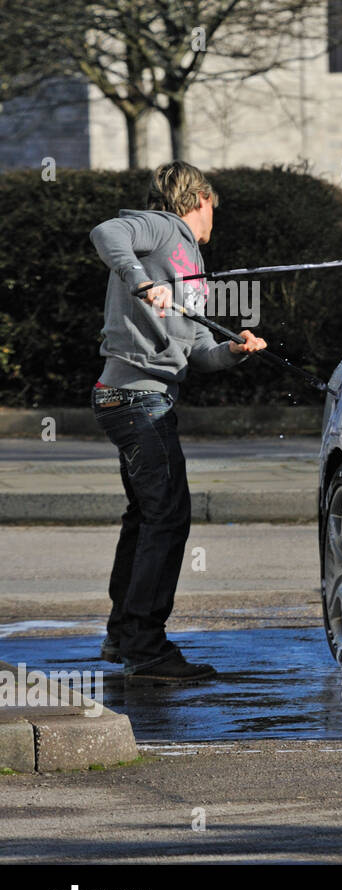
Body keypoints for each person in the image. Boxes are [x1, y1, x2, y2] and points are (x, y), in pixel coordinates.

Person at [89, 161, 266, 683]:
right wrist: (143, 282)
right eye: (213, 208)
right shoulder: (165, 227)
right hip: (134, 397)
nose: (214, 220)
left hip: (145, 397)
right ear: (199, 199)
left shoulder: (192, 262)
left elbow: (196, 356)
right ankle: (145, 649)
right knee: (166, 517)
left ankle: (124, 636)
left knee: (148, 516)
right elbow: (106, 232)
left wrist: (233, 352)